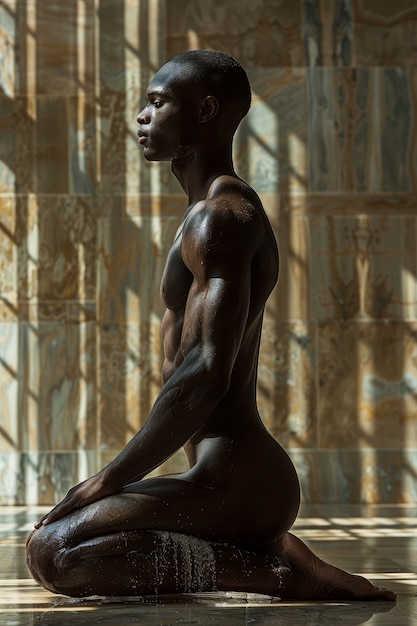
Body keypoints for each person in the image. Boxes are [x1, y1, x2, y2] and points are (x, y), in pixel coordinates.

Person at [26, 50, 395, 601]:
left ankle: (277, 574)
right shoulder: (205, 213)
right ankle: (271, 551)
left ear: (204, 109)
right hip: (222, 477)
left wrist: (108, 479)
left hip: (240, 479)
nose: (142, 116)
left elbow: (204, 371)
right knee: (53, 544)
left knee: (55, 552)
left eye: (157, 102)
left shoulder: (222, 216)